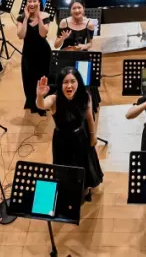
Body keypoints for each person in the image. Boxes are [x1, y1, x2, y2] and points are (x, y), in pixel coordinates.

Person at [35, 69, 104, 202]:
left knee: (84, 165)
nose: (69, 85)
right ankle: (70, 191)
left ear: (78, 82)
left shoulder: (85, 96)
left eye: (73, 81)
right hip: (62, 141)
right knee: (66, 169)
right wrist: (39, 96)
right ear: (60, 84)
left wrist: (93, 136)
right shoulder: (54, 99)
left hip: (81, 137)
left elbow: (89, 118)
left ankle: (85, 190)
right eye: (65, 82)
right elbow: (42, 105)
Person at [55, 0, 100, 112]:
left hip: (81, 55)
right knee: (65, 81)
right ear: (70, 10)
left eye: (79, 8)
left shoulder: (89, 24)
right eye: (74, 8)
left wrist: (83, 46)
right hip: (66, 55)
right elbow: (56, 45)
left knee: (84, 83)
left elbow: (90, 43)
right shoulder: (64, 23)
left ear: (83, 8)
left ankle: (84, 107)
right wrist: (62, 38)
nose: (77, 11)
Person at [17, 0, 51, 116]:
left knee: (43, 77)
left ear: (39, 3)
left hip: (43, 52)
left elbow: (43, 33)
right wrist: (26, 18)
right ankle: (33, 102)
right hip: (28, 53)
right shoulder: (21, 18)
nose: (32, 4)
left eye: (34, 1)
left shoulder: (45, 16)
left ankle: (43, 104)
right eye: (29, 1)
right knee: (30, 78)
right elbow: (21, 35)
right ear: (26, 4)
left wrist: (39, 17)